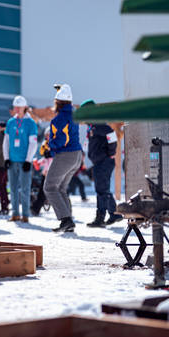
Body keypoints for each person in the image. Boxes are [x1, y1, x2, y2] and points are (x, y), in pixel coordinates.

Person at [43, 84, 83, 232]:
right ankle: (69, 222)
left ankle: (66, 220)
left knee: (50, 187)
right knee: (60, 188)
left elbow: (61, 140)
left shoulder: (59, 119)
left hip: (66, 155)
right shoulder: (74, 114)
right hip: (76, 156)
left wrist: (50, 146)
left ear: (57, 102)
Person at [81, 99, 122, 227]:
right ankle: (114, 214)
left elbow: (112, 135)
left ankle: (100, 218)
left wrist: (110, 152)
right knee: (103, 189)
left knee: (101, 190)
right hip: (99, 161)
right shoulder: (92, 125)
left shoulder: (98, 124)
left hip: (104, 161)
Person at [3, 96, 38, 223]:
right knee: (12, 188)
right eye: (15, 107)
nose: (16, 109)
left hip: (24, 161)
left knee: (25, 188)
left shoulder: (31, 123)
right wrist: (6, 158)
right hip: (12, 160)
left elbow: (33, 143)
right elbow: (6, 142)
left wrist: (29, 160)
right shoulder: (11, 122)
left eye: (19, 107)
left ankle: (25, 214)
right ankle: (15, 213)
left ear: (25, 107)